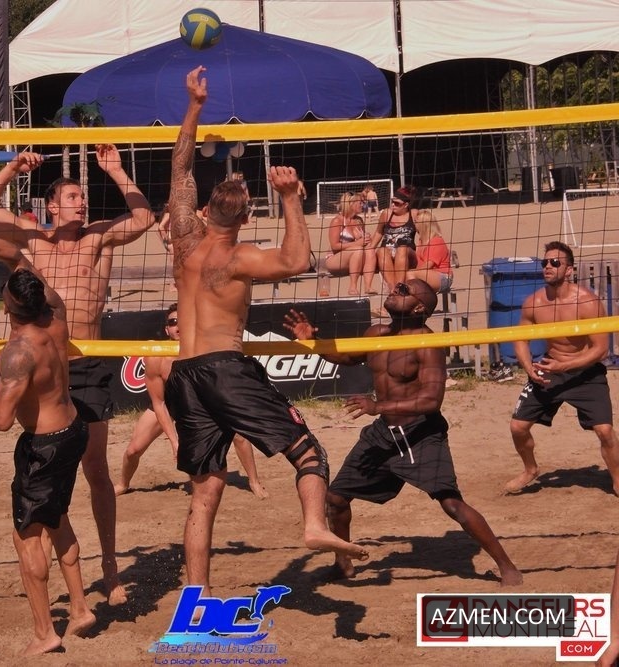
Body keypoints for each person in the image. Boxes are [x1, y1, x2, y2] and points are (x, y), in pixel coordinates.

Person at [165, 65, 368, 594]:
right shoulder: (240, 256)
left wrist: (193, 105)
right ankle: (314, 525)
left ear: (204, 211)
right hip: (224, 367)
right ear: (246, 217)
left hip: (183, 374)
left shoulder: (183, 242)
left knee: (204, 494)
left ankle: (196, 599)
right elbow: (298, 259)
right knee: (309, 453)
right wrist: (292, 197)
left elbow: (180, 166)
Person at [0, 146, 156, 606]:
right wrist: (14, 166)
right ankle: (62, 577)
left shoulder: (97, 239)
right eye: (72, 197)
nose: (81, 203)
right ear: (51, 206)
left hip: (86, 363)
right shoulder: (33, 238)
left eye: (82, 197)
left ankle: (110, 568)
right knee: (50, 474)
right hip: (44, 368)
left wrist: (115, 171)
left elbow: (144, 218)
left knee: (96, 470)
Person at [282, 279, 523, 586]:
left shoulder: (426, 343)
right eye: (397, 286)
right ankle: (343, 564)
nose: (395, 290)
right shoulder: (376, 334)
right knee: (336, 498)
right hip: (384, 432)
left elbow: (432, 400)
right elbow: (347, 357)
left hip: (420, 433)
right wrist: (313, 341)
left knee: (452, 504)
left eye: (404, 290)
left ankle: (507, 567)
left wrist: (377, 406)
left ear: (419, 307)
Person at [0, 226, 96, 655]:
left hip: (44, 448)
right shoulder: (56, 312)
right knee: (58, 518)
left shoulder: (18, 354)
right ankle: (81, 608)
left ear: (8, 304)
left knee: (28, 537)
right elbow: (16, 256)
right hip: (74, 431)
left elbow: (0, 420)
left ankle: (44, 632)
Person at [114, 303, 268, 499]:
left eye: (182, 321)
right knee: (133, 450)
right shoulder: (156, 357)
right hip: (169, 404)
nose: (178, 326)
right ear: (167, 330)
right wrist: (175, 442)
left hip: (200, 400)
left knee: (239, 436)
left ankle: (254, 481)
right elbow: (159, 404)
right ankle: (123, 484)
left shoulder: (204, 351)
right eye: (173, 322)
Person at [504, 241, 619, 496]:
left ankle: (617, 479)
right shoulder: (534, 302)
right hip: (550, 368)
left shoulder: (588, 302)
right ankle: (530, 469)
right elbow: (520, 339)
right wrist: (528, 367)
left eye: (555, 262)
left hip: (586, 372)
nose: (548, 266)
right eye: (545, 262)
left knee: (604, 431)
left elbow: (601, 350)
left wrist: (564, 365)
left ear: (569, 270)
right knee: (517, 427)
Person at [323, 191, 377, 296]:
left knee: (370, 249)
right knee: (358, 249)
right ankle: (353, 287)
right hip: (335, 259)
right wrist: (357, 243)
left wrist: (366, 239)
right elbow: (335, 246)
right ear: (351, 204)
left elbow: (362, 243)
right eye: (360, 202)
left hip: (355, 260)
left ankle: (368, 286)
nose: (363, 205)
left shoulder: (359, 220)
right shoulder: (337, 221)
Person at [369, 185, 419, 291]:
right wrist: (370, 249)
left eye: (397, 203)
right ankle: (393, 288)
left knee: (402, 249)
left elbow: (424, 234)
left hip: (407, 254)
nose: (393, 205)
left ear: (406, 205)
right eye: (392, 202)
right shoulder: (386, 214)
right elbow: (378, 232)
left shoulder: (414, 214)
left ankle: (399, 286)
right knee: (381, 250)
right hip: (387, 253)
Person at [405, 209, 453, 293]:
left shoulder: (436, 240)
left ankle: (417, 298)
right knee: (405, 274)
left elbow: (428, 265)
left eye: (415, 222)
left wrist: (413, 271)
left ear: (423, 225)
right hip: (430, 274)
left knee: (410, 274)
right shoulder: (422, 241)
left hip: (444, 277)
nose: (414, 224)